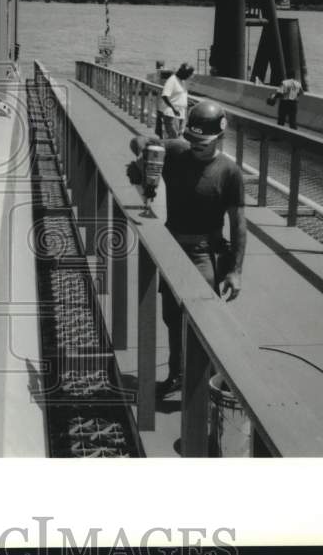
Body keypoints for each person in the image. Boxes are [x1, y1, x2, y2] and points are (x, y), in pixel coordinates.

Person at [127, 100, 247, 396]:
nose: (194, 147)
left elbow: (239, 224)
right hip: (171, 247)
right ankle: (176, 374)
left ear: (219, 137)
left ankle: (204, 381)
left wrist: (236, 272)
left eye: (202, 143)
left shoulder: (229, 173)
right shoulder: (177, 150)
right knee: (171, 315)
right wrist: (145, 153)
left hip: (205, 252)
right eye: (191, 139)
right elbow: (137, 140)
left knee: (202, 320)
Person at [160, 63, 194, 138]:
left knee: (178, 136)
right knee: (173, 137)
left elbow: (178, 96)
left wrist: (186, 103)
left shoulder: (182, 81)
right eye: (188, 75)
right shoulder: (172, 80)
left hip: (181, 113)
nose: (189, 77)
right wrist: (173, 108)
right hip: (172, 114)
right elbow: (165, 96)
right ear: (184, 73)